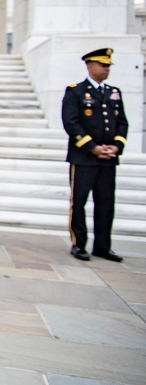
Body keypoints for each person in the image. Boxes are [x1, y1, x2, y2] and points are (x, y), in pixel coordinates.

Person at [62, 48, 127, 262]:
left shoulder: (114, 93)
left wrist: (116, 146)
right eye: (103, 65)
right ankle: (78, 244)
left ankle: (102, 246)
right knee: (79, 202)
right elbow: (71, 123)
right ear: (90, 66)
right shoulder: (76, 92)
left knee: (106, 203)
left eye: (108, 66)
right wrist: (93, 147)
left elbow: (122, 124)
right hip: (84, 158)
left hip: (108, 159)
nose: (107, 69)